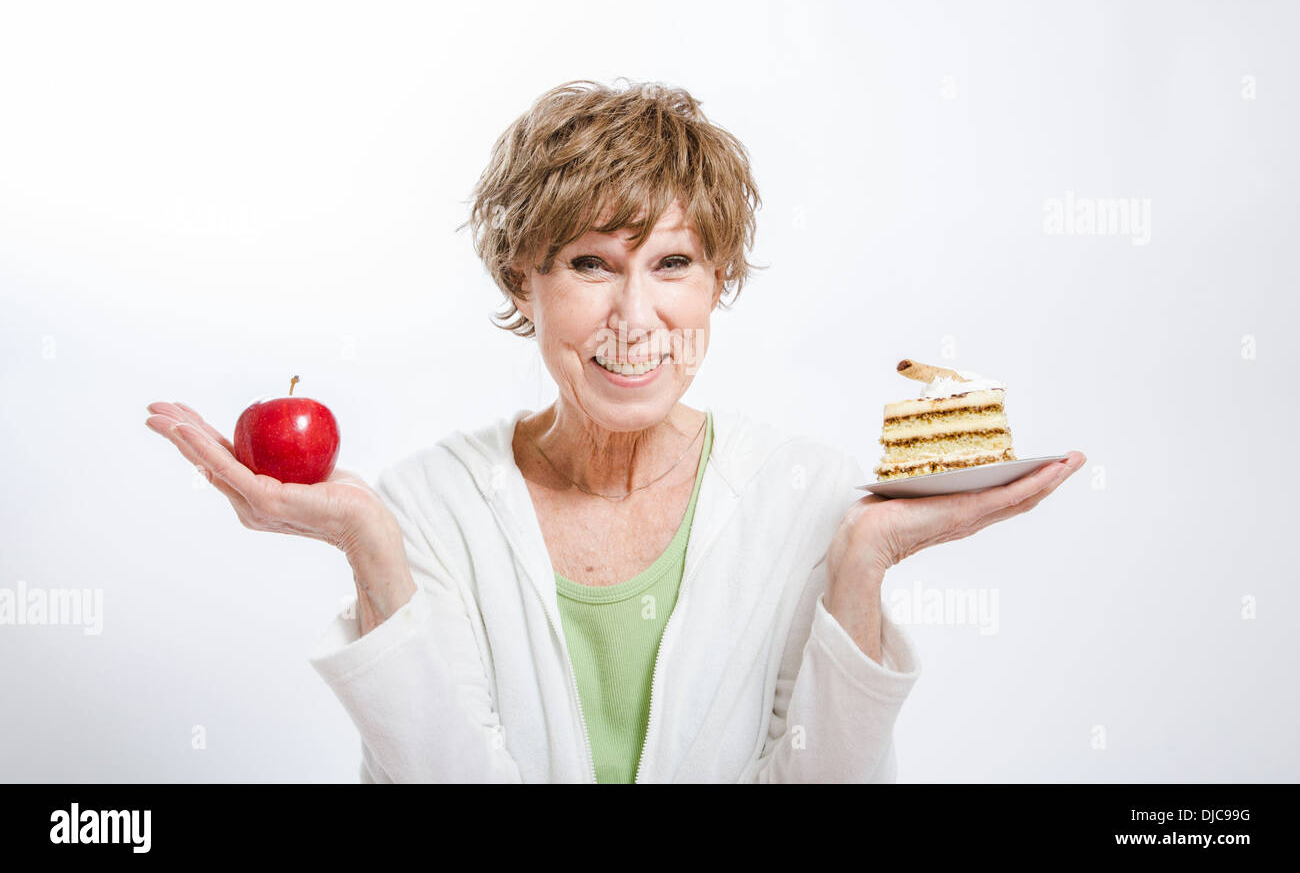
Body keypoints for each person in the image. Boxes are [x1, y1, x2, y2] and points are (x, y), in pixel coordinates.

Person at [145, 78, 1085, 782]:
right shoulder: (429, 506)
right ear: (525, 280)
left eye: (673, 263)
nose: (636, 317)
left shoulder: (808, 499)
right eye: (592, 264)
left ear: (717, 282)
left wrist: (864, 560)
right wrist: (367, 546)